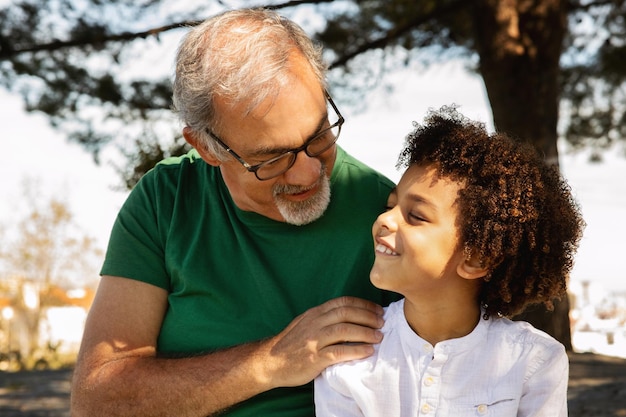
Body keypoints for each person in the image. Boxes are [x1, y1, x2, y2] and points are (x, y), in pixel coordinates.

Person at [70, 8, 399, 417]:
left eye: (318, 136)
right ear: (206, 147)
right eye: (273, 158)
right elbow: (97, 402)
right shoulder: (165, 201)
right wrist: (270, 362)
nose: (309, 171)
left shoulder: (391, 214)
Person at [315, 106, 585, 417]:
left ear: (477, 259)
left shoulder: (534, 361)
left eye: (415, 216)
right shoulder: (347, 357)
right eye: (390, 206)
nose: (385, 220)